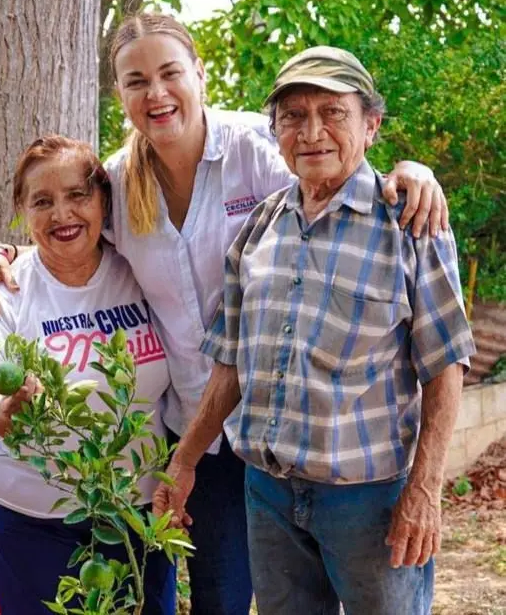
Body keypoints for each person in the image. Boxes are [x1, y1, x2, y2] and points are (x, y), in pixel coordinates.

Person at [0, 13, 450, 614]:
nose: (156, 93)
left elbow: (338, 172)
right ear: (120, 94)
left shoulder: (259, 150)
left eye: (170, 73)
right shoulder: (115, 182)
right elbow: (62, 231)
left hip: (292, 433)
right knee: (223, 598)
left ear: (199, 74)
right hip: (195, 432)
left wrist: (415, 172)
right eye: (136, 80)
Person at [153, 46, 476, 615]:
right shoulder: (259, 228)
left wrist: (425, 491)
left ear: (370, 125)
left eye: (333, 113)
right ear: (275, 129)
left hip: (370, 501)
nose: (312, 132)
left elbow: (444, 366)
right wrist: (183, 462)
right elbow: (230, 363)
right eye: (294, 116)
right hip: (269, 494)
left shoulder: (411, 224)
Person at [0, 135, 177, 614]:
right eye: (43, 201)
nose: (63, 214)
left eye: (78, 195)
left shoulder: (142, 269)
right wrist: (7, 411)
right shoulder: (4, 291)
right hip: (23, 520)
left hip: (134, 513)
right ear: (22, 209)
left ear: (103, 200)